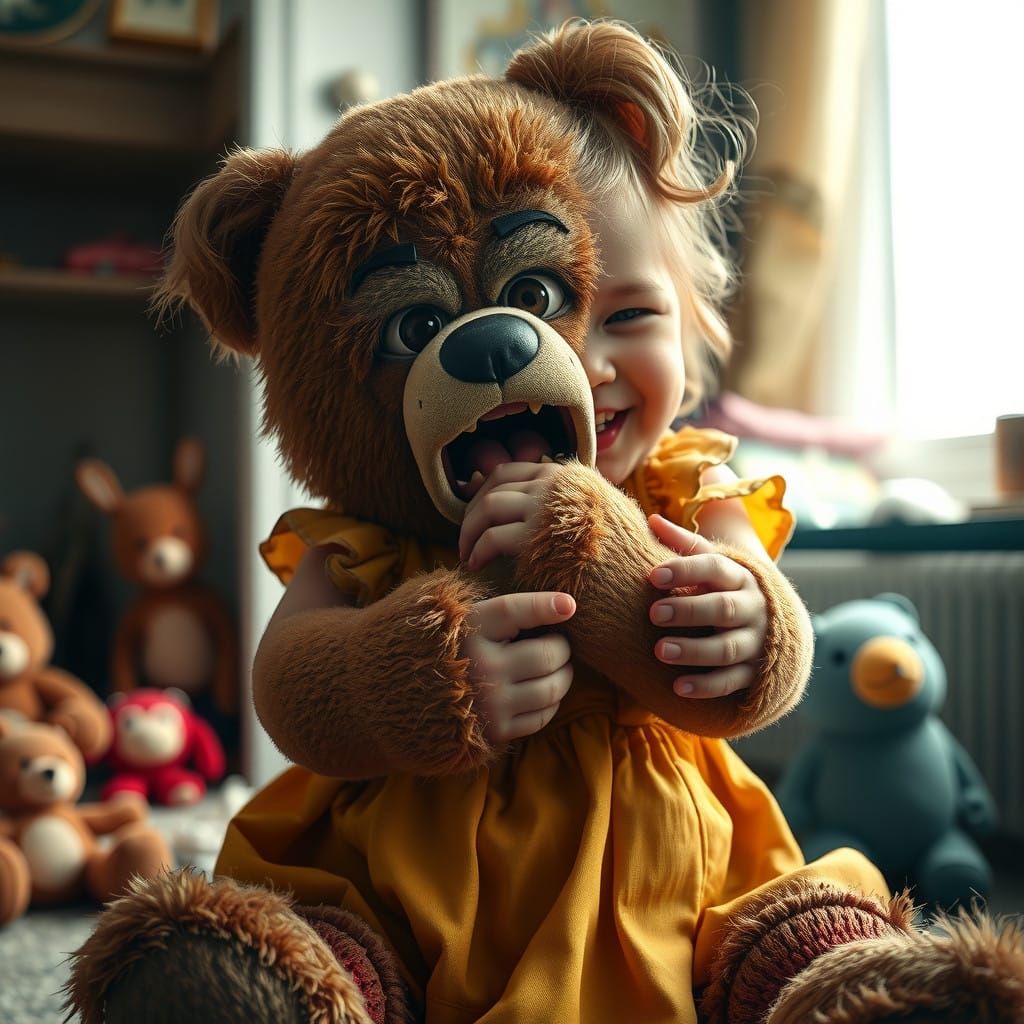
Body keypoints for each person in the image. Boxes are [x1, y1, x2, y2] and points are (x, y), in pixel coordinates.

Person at [208, 22, 891, 1023]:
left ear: (698, 324)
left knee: (791, 936)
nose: (587, 361)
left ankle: (850, 993)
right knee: (307, 952)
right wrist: (400, 672)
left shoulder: (689, 493)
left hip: (672, 884)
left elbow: (759, 669)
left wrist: (735, 619)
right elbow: (287, 682)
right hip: (409, 888)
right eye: (557, 316)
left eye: (627, 316)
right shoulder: (368, 533)